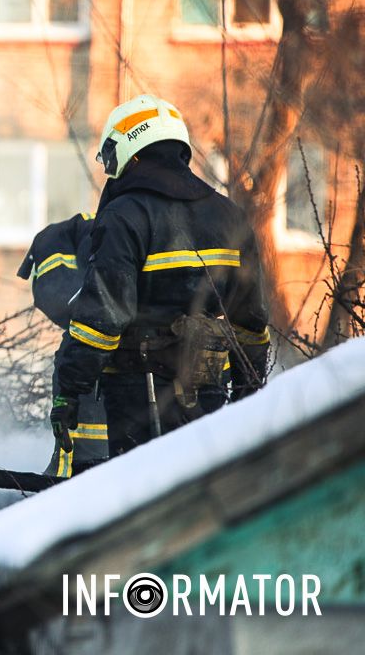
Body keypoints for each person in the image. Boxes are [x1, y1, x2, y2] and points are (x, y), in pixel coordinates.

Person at [50, 94, 271, 458]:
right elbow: (250, 321)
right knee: (202, 485)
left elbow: (104, 317)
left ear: (131, 151)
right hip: (208, 391)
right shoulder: (230, 215)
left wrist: (69, 389)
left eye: (110, 156)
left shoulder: (125, 215)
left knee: (144, 492)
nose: (110, 169)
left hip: (139, 394)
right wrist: (249, 391)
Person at [17, 212, 108, 477]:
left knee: (81, 461)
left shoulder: (55, 245)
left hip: (95, 362)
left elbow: (60, 303)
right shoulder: (115, 225)